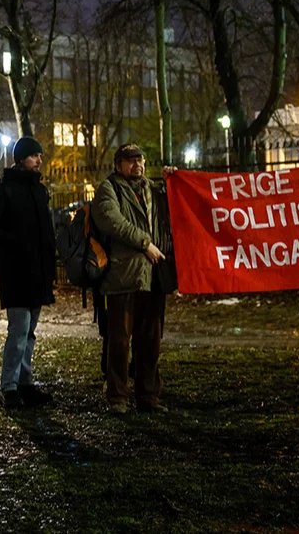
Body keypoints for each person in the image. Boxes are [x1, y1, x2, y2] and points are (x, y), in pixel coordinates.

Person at [91, 143, 176, 415]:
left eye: (140, 160)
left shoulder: (153, 190)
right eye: (130, 161)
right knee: (119, 340)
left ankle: (148, 396)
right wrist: (145, 244)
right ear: (118, 165)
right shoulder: (109, 189)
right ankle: (117, 396)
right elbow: (111, 221)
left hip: (153, 275)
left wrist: (173, 181)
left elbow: (175, 208)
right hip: (123, 275)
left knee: (151, 340)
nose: (136, 165)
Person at [0, 136, 56, 410]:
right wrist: (11, 249)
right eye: (34, 155)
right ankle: (10, 385)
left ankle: (23, 381)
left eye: (39, 155)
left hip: (35, 270)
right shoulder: (5, 192)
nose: (39, 160)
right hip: (17, 271)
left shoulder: (38, 191)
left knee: (28, 330)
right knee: (20, 329)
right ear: (22, 158)